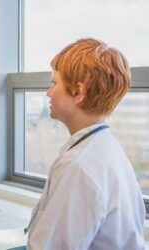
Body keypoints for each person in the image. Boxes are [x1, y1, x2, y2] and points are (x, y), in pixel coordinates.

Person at [25, 38, 146, 250]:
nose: (49, 92)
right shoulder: (108, 152)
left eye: (54, 83)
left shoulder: (79, 166)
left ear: (78, 92)